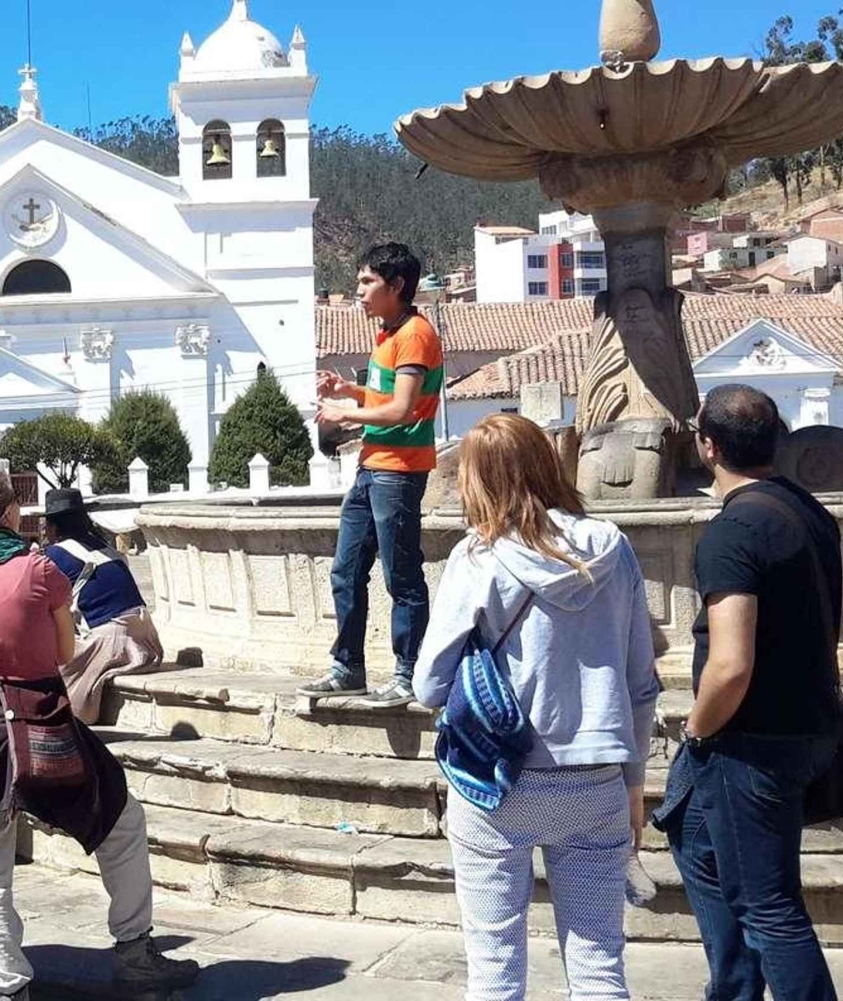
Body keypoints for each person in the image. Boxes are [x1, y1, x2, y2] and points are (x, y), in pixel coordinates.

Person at [414, 414, 659, 1001]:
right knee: (599, 962)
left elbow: (428, 684)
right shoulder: (612, 547)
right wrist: (634, 783)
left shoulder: (477, 559)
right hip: (596, 778)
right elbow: (641, 682)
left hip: (497, 784)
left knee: (494, 966)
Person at [0, 469, 199, 1001]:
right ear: (9, 512)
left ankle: (8, 984)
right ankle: (134, 951)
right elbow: (63, 655)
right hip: (40, 715)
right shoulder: (37, 570)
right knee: (122, 820)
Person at [652, 385, 843, 1001]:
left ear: (707, 447)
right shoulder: (806, 510)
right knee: (692, 838)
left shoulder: (733, 531)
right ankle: (732, 989)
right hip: (806, 725)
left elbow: (731, 664)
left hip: (748, 742)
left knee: (770, 908)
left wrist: (698, 729)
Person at [302, 242, 444, 706]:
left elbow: (404, 409)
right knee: (346, 571)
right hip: (371, 467)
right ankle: (348, 667)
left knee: (401, 576)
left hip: (398, 471)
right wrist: (352, 390)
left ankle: (409, 672)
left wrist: (348, 412)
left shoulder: (416, 335)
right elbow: (390, 397)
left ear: (396, 286)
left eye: (367, 282)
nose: (358, 291)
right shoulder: (388, 334)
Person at [40, 487, 162, 724]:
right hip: (146, 637)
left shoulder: (53, 555)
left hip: (113, 639)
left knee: (49, 680)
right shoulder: (106, 548)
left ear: (53, 527)